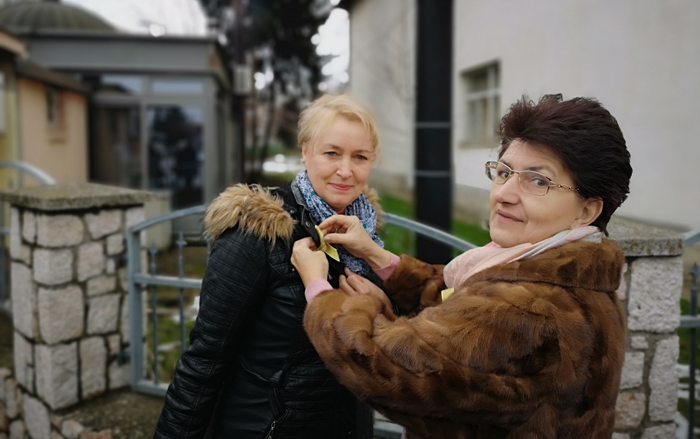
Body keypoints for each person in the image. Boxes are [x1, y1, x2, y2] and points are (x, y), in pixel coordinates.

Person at [292, 94, 633, 439]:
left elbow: (382, 363)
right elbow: (461, 302)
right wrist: (379, 257)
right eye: (504, 173)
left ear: (586, 211)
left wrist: (320, 289)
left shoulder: (533, 308)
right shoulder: (571, 275)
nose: (504, 194)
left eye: (538, 181)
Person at [153, 94, 401, 439]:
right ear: (305, 150)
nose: (346, 170)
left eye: (360, 156)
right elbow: (205, 359)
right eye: (332, 153)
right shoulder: (259, 233)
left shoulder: (366, 234)